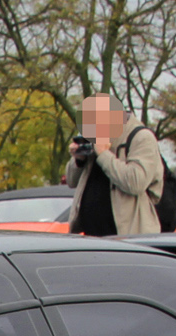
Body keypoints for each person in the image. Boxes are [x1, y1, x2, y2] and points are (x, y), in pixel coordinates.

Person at [62, 94, 164, 236]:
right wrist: (79, 159)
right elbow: (71, 182)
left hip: (129, 238)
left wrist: (103, 154)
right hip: (92, 237)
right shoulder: (96, 138)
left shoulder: (141, 137)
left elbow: (136, 182)